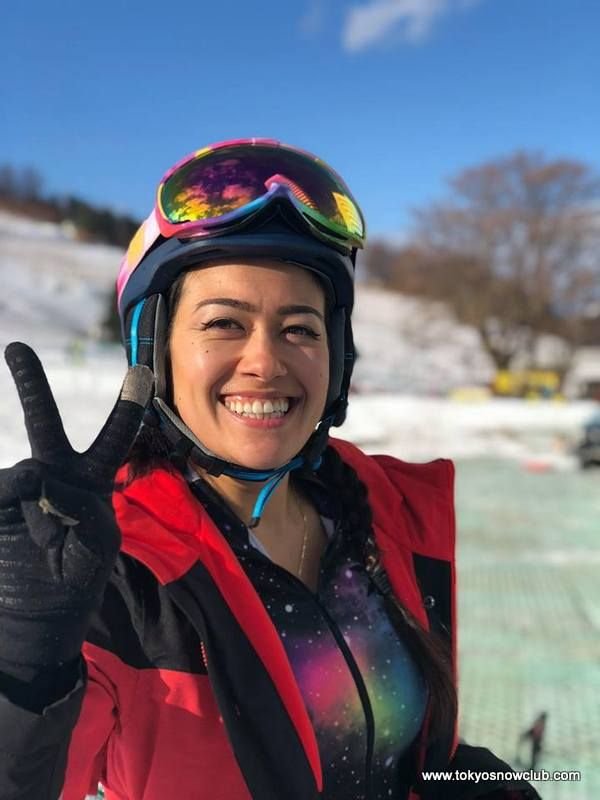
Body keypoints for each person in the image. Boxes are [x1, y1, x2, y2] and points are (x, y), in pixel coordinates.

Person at [0, 139, 540, 800]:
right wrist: (26, 667)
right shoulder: (111, 569)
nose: (265, 361)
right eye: (224, 323)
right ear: (156, 353)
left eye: (299, 329)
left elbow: (401, 755)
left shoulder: (382, 515)